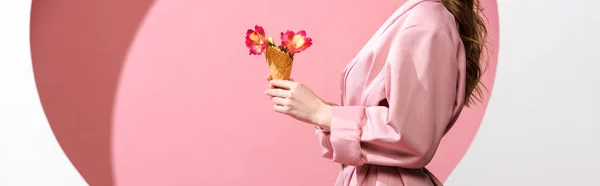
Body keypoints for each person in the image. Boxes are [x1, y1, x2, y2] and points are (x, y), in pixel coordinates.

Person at [264, 0, 487, 185]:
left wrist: (323, 113)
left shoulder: (427, 23)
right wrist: (321, 111)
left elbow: (413, 136)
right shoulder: (417, 16)